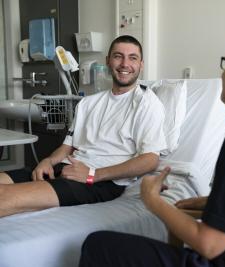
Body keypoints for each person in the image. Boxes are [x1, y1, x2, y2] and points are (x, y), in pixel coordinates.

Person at [79, 33, 225, 267]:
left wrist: (152, 199)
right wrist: (212, 202)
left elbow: (210, 245)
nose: (223, 73)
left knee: (98, 245)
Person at [0, 35, 167, 218]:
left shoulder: (147, 103)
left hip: (100, 182)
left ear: (141, 65)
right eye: (118, 56)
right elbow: (68, 146)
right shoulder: (88, 103)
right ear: (108, 61)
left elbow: (150, 159)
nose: (124, 64)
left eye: (132, 58)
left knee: (4, 198)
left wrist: (93, 175)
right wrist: (49, 161)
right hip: (66, 169)